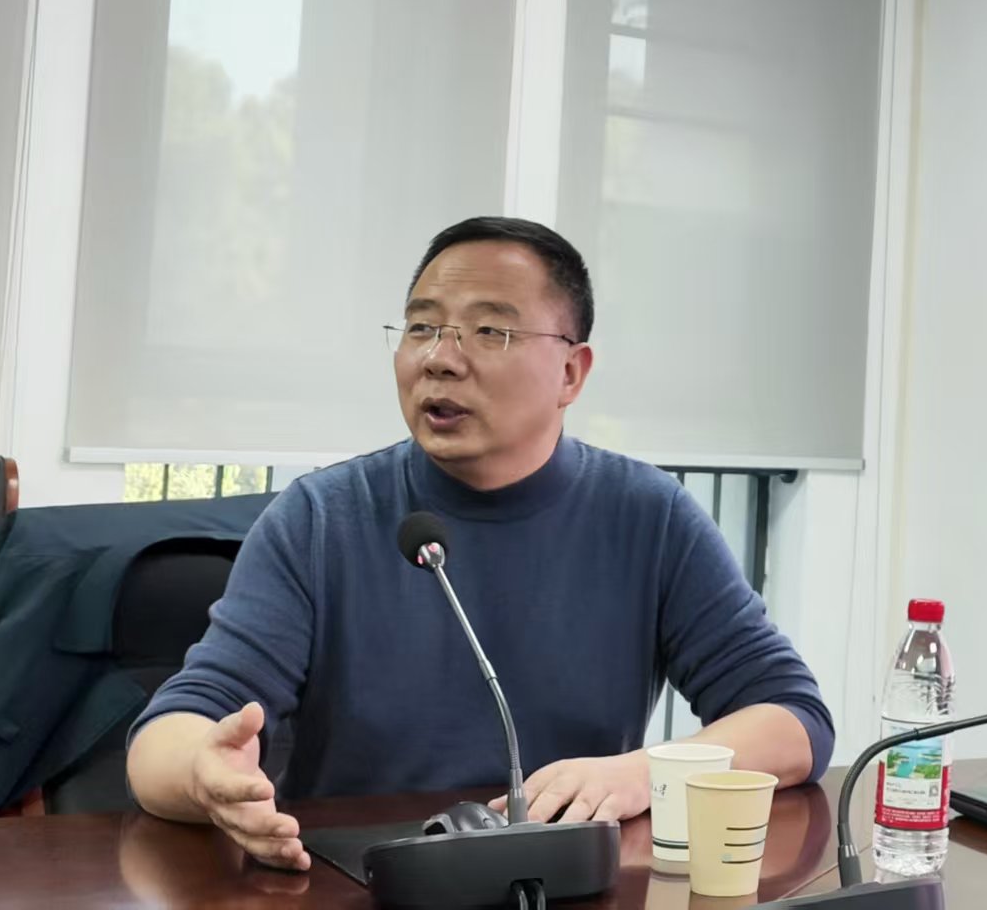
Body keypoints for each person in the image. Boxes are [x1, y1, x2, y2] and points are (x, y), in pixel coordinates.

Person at [126, 217, 832, 870]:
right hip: (359, 882)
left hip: (563, 881)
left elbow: (793, 720)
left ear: (571, 372)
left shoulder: (650, 517)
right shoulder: (319, 518)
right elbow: (171, 732)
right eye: (421, 328)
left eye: (490, 331)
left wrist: (643, 774)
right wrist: (203, 773)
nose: (440, 359)